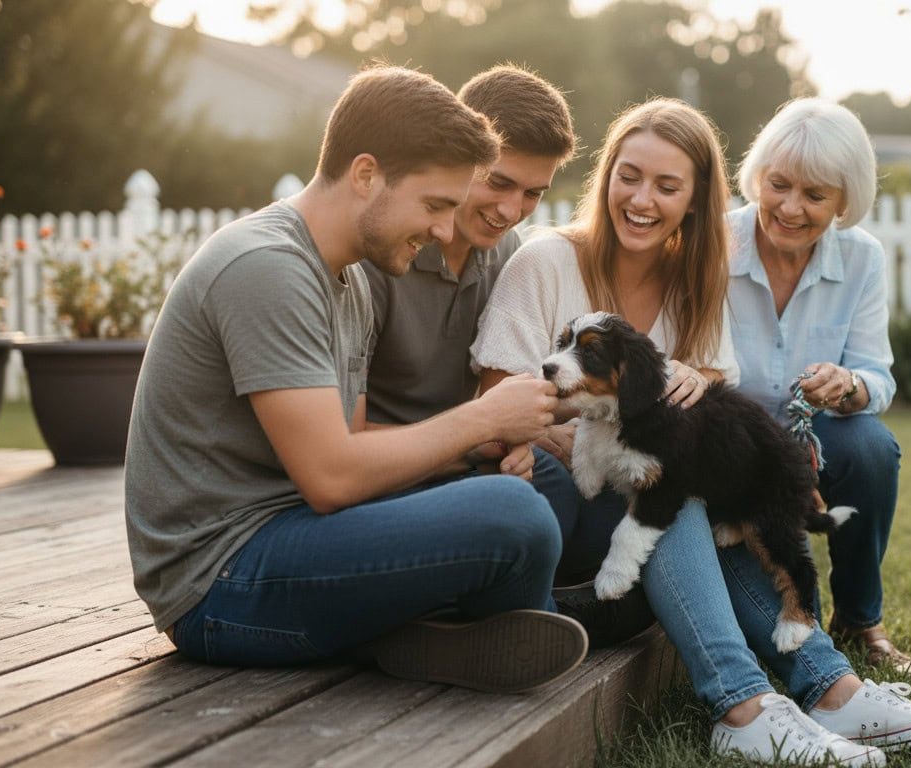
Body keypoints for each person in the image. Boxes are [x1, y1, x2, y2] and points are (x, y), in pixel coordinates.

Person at [472, 98, 911, 764]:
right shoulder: (547, 260)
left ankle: (835, 691)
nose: (642, 199)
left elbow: (712, 385)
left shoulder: (692, 279)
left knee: (685, 484)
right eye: (629, 176)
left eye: (667, 185)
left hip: (642, 514)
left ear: (695, 201)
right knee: (669, 484)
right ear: (606, 176)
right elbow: (497, 406)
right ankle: (743, 705)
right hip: (565, 509)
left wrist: (693, 385)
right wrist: (616, 442)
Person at [123, 65, 588, 695]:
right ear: (366, 175)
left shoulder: (349, 275)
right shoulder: (268, 267)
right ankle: (529, 619)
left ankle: (428, 633)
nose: (444, 231)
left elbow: (354, 436)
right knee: (513, 514)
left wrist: (479, 445)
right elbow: (332, 479)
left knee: (531, 484)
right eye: (434, 206)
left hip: (297, 531)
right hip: (221, 579)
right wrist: (480, 418)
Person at [357, 64, 652, 646]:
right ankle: (513, 619)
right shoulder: (382, 257)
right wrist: (484, 439)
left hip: (466, 461)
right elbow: (345, 444)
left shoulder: (505, 253)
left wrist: (525, 435)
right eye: (498, 182)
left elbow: (506, 395)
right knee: (539, 486)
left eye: (533, 193)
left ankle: (523, 607)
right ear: (460, 154)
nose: (512, 209)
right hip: (388, 476)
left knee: (580, 484)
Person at [728, 98, 911, 673]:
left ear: (843, 201)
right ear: (758, 176)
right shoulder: (715, 243)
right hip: (730, 447)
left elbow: (876, 377)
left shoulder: (862, 258)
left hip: (815, 440)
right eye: (779, 185)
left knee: (870, 446)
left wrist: (846, 384)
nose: (790, 208)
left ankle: (860, 619)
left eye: (814, 195)